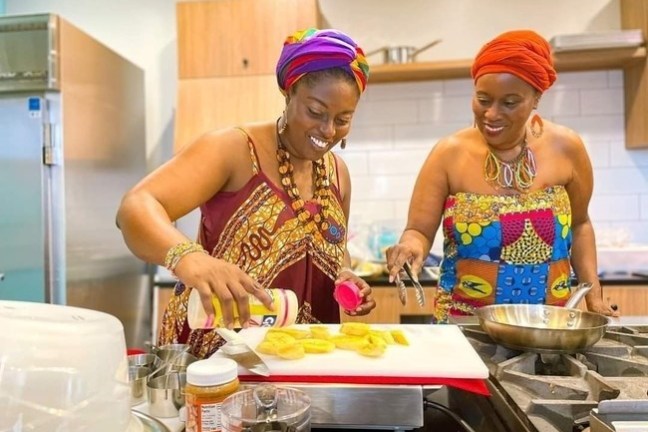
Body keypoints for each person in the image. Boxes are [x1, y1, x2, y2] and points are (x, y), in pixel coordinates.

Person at [116, 28, 376, 358]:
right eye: (315, 112)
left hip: (302, 361)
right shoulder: (234, 150)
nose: (328, 131)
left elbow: (334, 249)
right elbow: (135, 207)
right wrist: (190, 258)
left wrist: (346, 276)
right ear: (289, 91)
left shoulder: (338, 173)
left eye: (343, 119)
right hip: (217, 358)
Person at [386, 29, 618, 323]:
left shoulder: (567, 148)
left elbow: (580, 224)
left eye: (509, 103)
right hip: (465, 330)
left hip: (548, 328)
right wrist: (409, 248)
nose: (492, 114)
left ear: (536, 97)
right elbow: (418, 230)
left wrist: (593, 295)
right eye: (483, 100)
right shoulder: (448, 154)